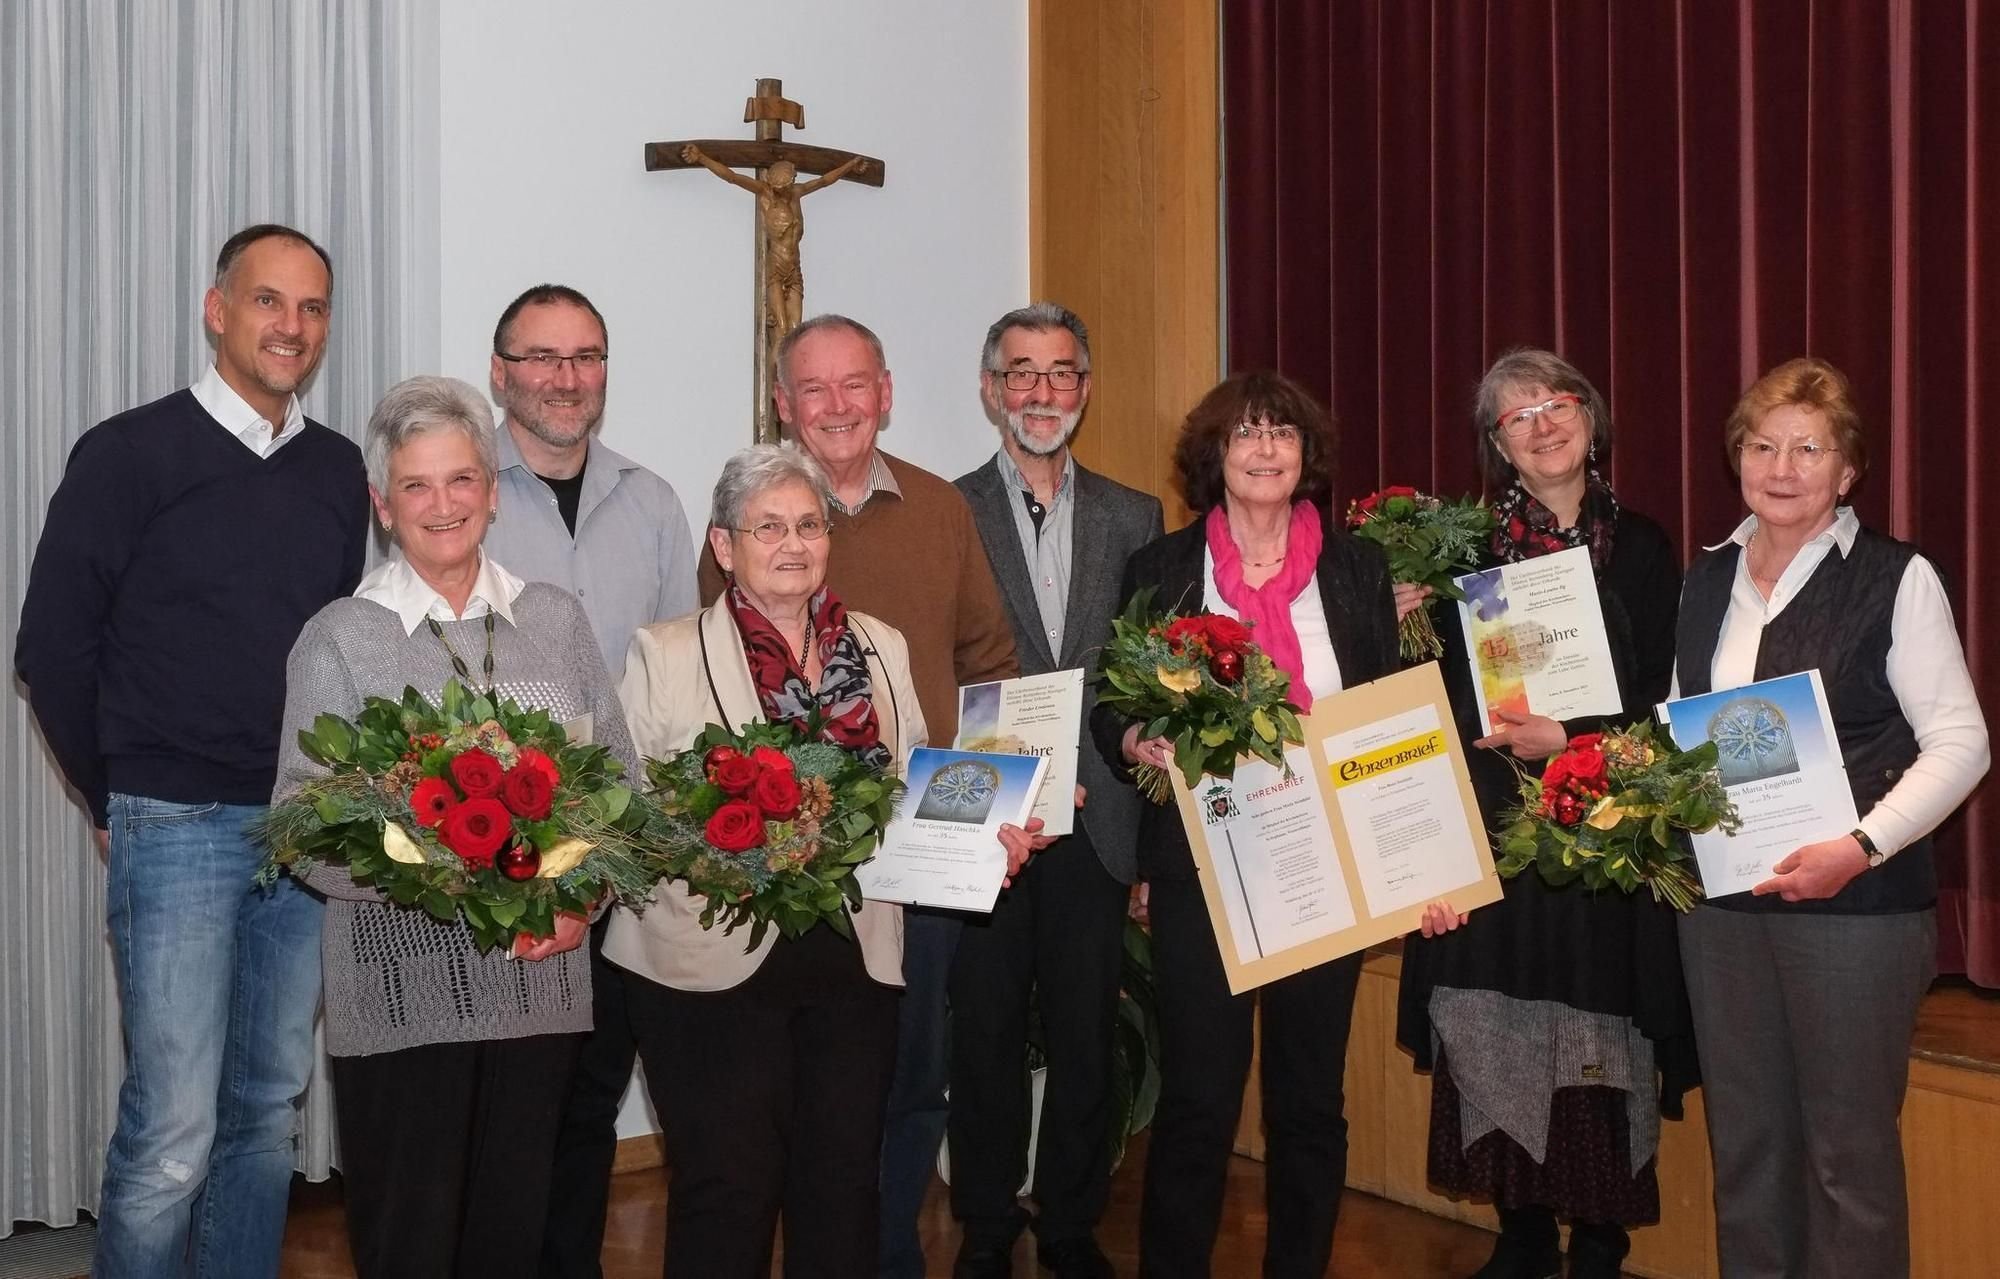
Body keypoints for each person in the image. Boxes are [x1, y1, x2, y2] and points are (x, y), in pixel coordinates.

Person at [14, 223, 366, 1278]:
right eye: (268, 301)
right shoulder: (128, 453)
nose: (290, 326)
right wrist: (111, 796)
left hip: (303, 832)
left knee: (263, 1115)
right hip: (174, 822)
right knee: (171, 1133)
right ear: (218, 310)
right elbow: (51, 645)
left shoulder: (341, 469)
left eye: (309, 308)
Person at [612, 444, 1038, 1278]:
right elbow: (630, 821)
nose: (794, 543)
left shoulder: (878, 644)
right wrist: (726, 838)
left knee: (844, 1190)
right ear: (725, 546)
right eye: (768, 526)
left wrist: (986, 834)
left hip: (855, 956)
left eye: (809, 524)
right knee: (726, 1192)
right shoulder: (662, 653)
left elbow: (917, 779)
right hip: (708, 968)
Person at [273, 375, 636, 1277]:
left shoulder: (555, 620)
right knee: (412, 1249)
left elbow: (618, 788)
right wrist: (456, 878)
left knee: (516, 1244)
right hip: (402, 1002)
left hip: (541, 993)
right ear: (383, 506)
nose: (444, 506)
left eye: (462, 480)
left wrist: (576, 902)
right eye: (417, 486)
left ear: (491, 489)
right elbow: (303, 823)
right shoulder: (339, 637)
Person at [696, 314, 1023, 1279]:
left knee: (913, 1079)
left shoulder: (938, 508)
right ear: (783, 404)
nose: (837, 406)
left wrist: (985, 808)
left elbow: (989, 667)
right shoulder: (748, 509)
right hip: (779, 865)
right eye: (814, 389)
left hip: (919, 853)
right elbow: (710, 680)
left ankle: (885, 1260)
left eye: (855, 385)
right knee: (791, 1093)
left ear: (884, 393)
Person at [1673, 357, 1988, 1277]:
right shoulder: (1706, 579)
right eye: (1763, 444)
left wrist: (1856, 849)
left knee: (1847, 1164)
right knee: (1747, 1150)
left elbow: (1963, 745)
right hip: (1724, 912)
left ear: (1848, 471)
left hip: (1855, 913)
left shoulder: (1898, 577)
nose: (1782, 466)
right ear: (1738, 456)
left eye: (1809, 448)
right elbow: (1684, 732)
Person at [1090, 371, 1401, 1279]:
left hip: (1327, 862)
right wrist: (1137, 736)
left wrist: (1409, 865)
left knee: (1309, 1102)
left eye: (1283, 434)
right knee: (1199, 1097)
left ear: (1307, 457)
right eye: (1245, 434)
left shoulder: (1357, 568)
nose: (1265, 449)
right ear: (1213, 456)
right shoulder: (1161, 569)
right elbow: (1113, 707)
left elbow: (1389, 712)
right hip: (1204, 864)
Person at [1394, 349, 1691, 1279]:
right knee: (1499, 1016)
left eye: (1560, 404)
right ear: (1498, 447)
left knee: (1600, 1021)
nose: (1545, 423)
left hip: (1608, 823)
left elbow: (1666, 694)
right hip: (1493, 827)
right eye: (1519, 415)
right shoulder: (1461, 559)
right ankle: (1522, 1227)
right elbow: (1425, 700)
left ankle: (1600, 1232)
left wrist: (1569, 733)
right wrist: (1399, 615)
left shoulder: (1642, 546)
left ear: (1592, 423)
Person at [477, 283, 699, 1279]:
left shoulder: (649, 501)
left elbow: (677, 680)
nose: (566, 379)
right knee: (501, 1108)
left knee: (590, 1097)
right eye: (542, 357)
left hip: (618, 858)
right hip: (493, 856)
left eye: (587, 357)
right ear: (500, 372)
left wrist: (632, 845)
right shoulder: (456, 492)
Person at [950, 302, 1163, 1279]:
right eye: (1021, 373)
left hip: (1100, 816)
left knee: (1086, 1034)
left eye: (1061, 372)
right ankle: (987, 1227)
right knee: (985, 1030)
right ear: (991, 388)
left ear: (1085, 387)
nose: (1042, 392)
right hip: (988, 818)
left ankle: (1070, 1222)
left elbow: (1142, 675)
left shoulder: (1135, 517)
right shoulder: (946, 512)